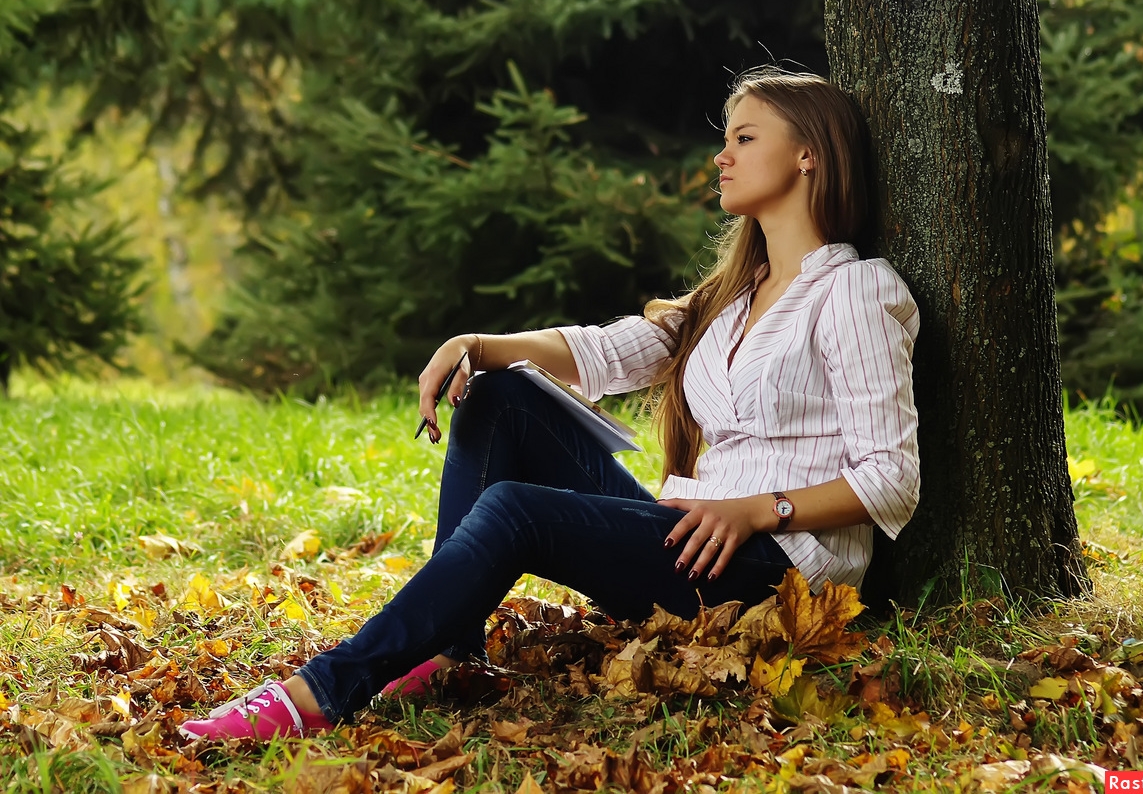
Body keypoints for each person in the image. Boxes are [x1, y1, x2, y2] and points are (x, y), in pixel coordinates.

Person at [179, 67, 920, 741]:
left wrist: (761, 509)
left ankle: (319, 693)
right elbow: (606, 350)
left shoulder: (854, 291)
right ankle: (447, 648)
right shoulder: (728, 298)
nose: (721, 157)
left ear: (808, 155)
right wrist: (479, 343)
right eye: (724, 140)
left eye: (745, 138)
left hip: (769, 570)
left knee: (514, 509)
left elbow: (893, 477)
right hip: (691, 536)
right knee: (502, 396)